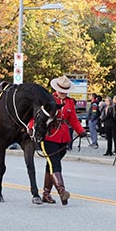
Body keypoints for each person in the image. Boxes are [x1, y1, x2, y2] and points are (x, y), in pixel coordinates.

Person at [40, 75, 86, 205]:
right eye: (61, 89)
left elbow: (73, 120)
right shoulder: (48, 100)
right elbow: (37, 116)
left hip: (64, 137)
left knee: (51, 165)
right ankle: (62, 191)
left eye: (65, 90)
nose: (63, 92)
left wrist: (81, 131)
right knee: (55, 164)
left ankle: (46, 194)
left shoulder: (70, 102)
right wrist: (32, 128)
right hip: (49, 135)